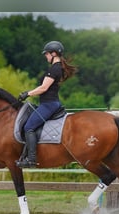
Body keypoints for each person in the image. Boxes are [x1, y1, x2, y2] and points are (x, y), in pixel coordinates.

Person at [16, 40, 78, 168]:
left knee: (29, 127)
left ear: (54, 54)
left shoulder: (54, 69)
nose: (46, 56)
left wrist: (27, 94)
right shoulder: (57, 68)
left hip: (48, 105)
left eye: (47, 54)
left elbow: (43, 88)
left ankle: (31, 159)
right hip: (50, 103)